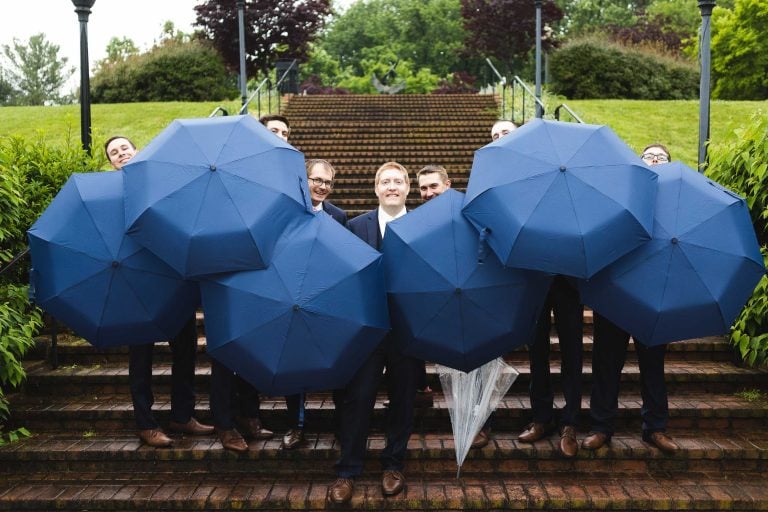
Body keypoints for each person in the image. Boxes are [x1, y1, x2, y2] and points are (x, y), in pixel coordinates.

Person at [104, 136, 214, 447]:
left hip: (172, 278)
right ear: (110, 162)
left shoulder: (158, 182)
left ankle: (182, 415)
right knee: (141, 358)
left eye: (124, 148)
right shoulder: (109, 194)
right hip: (137, 285)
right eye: (114, 152)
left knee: (186, 349)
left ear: (135, 151)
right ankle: (146, 423)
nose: (121, 153)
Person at [327, 162, 420, 505]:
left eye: (398, 181)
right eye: (385, 181)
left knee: (404, 399)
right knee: (358, 398)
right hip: (366, 330)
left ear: (408, 188)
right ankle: (347, 470)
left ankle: (394, 464)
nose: (392, 186)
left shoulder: (422, 226)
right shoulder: (354, 226)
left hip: (408, 330)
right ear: (376, 188)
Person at [582, 143, 678, 454]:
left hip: (654, 297)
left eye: (660, 157)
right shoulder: (620, 196)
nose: (653, 160)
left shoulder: (677, 204)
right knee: (606, 364)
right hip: (616, 292)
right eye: (648, 156)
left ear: (669, 165)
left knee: (653, 366)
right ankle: (601, 427)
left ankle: (655, 428)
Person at [503, 118, 585, 459]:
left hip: (569, 281)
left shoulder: (573, 182)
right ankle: (542, 418)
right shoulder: (518, 184)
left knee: (572, 354)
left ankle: (571, 422)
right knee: (536, 353)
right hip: (532, 279)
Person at [281, 159, 348, 451]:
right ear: (303, 180)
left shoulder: (339, 216)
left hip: (328, 302)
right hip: (293, 300)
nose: (322, 186)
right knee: (295, 366)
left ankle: (342, 425)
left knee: (338, 364)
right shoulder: (286, 213)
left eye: (327, 182)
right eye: (316, 180)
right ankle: (295, 426)